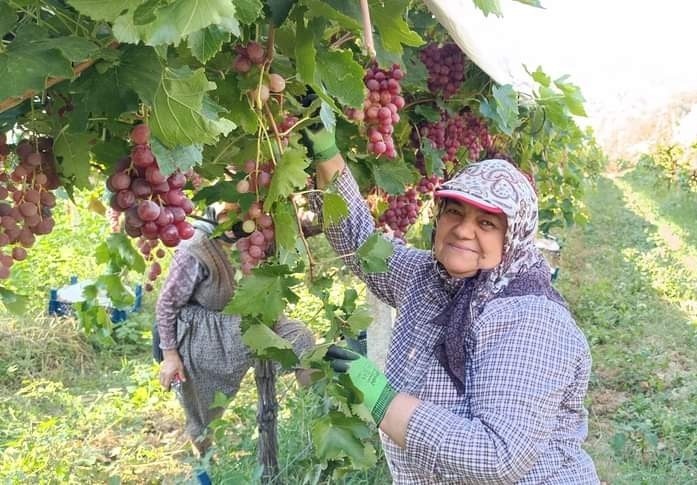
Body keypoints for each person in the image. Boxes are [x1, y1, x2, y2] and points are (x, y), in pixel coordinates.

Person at [304, 129, 599, 484]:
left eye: (486, 223)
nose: (462, 230)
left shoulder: (532, 321)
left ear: (514, 236)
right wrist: (326, 152)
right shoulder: (427, 278)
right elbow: (360, 245)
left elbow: (497, 457)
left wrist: (380, 398)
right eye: (454, 212)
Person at [155, 204, 315, 455]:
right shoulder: (194, 247)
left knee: (302, 341)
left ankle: (314, 418)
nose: (231, 219)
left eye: (239, 211)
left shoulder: (259, 234)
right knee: (202, 412)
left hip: (253, 318)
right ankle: (205, 461)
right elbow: (167, 303)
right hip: (206, 334)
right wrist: (170, 355)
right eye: (224, 213)